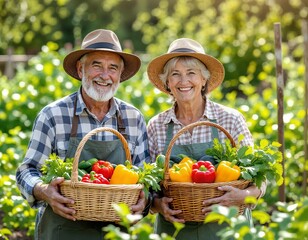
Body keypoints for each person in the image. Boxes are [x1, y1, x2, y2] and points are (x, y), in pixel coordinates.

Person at [16, 29, 151, 240]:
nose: (105, 75)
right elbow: (26, 171)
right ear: (81, 70)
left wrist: (145, 202)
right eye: (97, 65)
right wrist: (44, 190)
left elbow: (145, 176)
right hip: (62, 230)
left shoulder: (133, 118)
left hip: (116, 233)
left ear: (119, 75)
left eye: (113, 68)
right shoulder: (53, 115)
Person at [146, 38, 266, 239]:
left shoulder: (230, 119)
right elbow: (149, 186)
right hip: (175, 231)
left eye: (191, 73)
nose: (184, 81)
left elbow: (261, 178)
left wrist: (243, 195)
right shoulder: (156, 126)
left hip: (227, 228)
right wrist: (159, 206)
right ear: (168, 83)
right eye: (175, 74)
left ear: (204, 80)